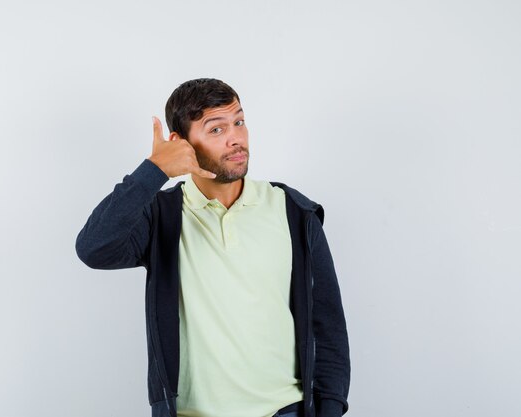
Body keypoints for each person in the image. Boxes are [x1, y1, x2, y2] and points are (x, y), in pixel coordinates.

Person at [75, 78, 350, 417]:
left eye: (239, 121)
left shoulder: (293, 210)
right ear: (182, 144)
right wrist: (155, 170)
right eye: (216, 130)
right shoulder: (161, 216)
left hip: (286, 410)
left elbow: (328, 324)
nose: (236, 137)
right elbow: (93, 247)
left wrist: (331, 408)